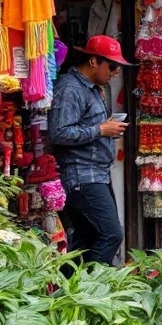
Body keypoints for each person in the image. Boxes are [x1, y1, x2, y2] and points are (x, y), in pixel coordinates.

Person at [50, 35, 131, 265]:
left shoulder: (94, 88)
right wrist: (100, 130)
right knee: (111, 233)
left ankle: (72, 288)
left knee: (89, 237)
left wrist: (105, 129)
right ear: (94, 62)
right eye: (112, 65)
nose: (115, 72)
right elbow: (59, 132)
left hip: (96, 174)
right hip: (82, 176)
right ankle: (91, 285)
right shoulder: (70, 89)